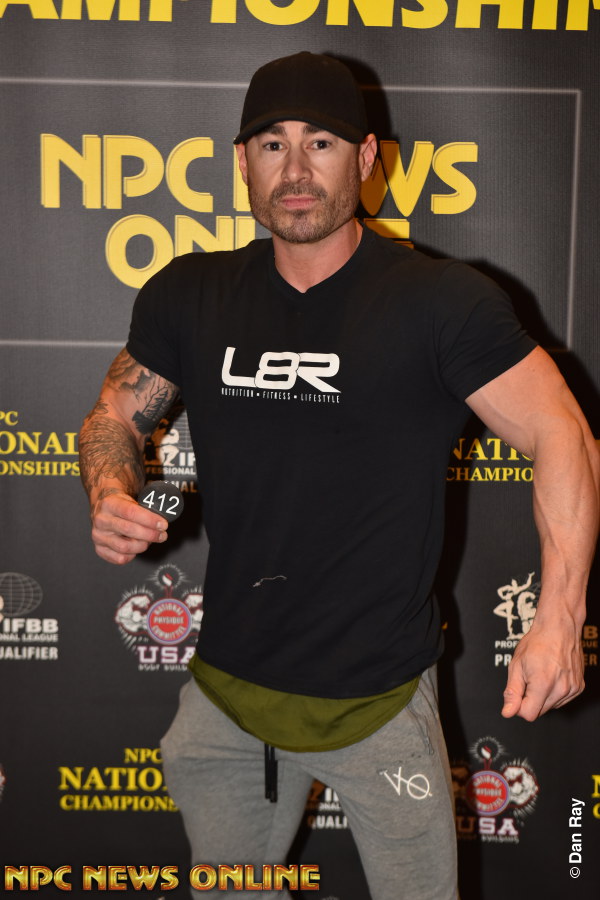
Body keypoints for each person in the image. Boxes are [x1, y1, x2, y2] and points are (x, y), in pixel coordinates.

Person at [79, 52, 599, 900]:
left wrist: (560, 616)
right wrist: (109, 491)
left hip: (380, 702)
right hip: (227, 700)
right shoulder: (190, 292)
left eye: (319, 142)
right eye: (271, 144)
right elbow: (113, 417)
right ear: (241, 162)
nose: (294, 169)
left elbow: (562, 433)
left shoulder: (441, 301)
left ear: (363, 159)